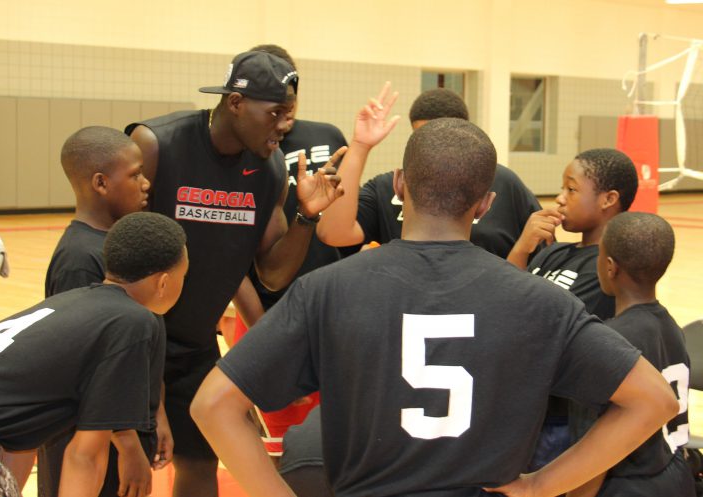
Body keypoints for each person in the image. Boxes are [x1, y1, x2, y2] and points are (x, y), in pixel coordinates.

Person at [190, 115, 678, 497]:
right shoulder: (541, 301)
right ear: (485, 204)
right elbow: (654, 401)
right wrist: (542, 485)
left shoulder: (327, 289)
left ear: (400, 186)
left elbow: (212, 405)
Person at [126, 50, 344, 497]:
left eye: (291, 114)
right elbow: (114, 253)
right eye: (277, 113)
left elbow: (271, 274)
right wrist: (149, 387)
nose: (286, 125)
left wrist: (306, 216)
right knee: (123, 472)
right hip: (130, 340)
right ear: (236, 104)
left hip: (194, 346)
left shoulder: (268, 171)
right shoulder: (157, 144)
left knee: (200, 469)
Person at [0, 212, 187, 497]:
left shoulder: (75, 302)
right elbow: (85, 456)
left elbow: (19, 441)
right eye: (184, 276)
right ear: (164, 282)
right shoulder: (134, 321)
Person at [228, 43, 349, 457]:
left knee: (334, 439)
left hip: (330, 309)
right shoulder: (239, 150)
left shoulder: (326, 136)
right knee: (280, 442)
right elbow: (232, 257)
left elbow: (343, 226)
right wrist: (266, 338)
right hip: (266, 313)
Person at [40, 126, 172, 497]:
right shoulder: (80, 258)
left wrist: (157, 413)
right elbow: (88, 367)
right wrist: (127, 443)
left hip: (129, 423)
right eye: (135, 175)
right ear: (100, 183)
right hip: (95, 439)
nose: (146, 183)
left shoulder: (121, 247)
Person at [507, 148, 639, 471]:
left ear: (608, 200)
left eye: (571, 189)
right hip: (529, 409)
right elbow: (503, 302)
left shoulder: (607, 270)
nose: (560, 199)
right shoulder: (553, 252)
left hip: (562, 417)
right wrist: (521, 249)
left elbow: (541, 325)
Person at [316, 87, 541, 259]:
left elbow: (537, 256)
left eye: (444, 138)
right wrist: (360, 146)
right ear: (399, 185)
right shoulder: (387, 187)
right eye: (423, 137)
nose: (434, 147)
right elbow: (334, 233)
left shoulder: (503, 183)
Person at [567, 212, 695, 497]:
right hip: (675, 478)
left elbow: (591, 457)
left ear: (610, 267)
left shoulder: (607, 342)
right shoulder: (672, 327)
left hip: (627, 486)